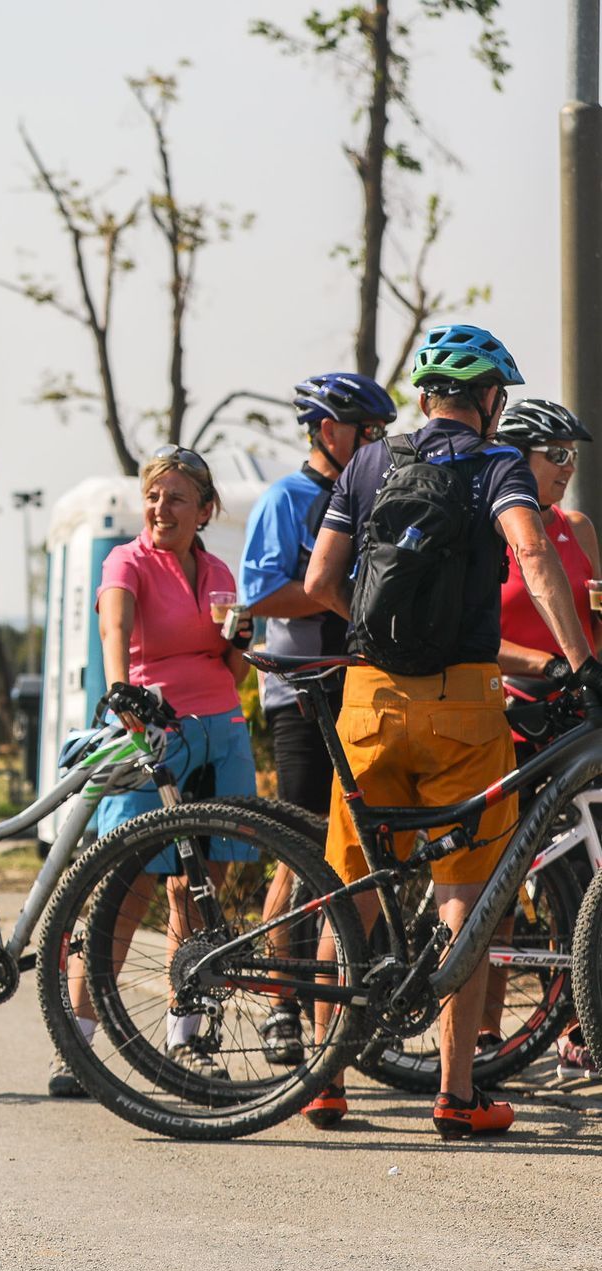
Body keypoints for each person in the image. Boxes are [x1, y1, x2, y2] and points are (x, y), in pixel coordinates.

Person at [303, 324, 598, 1136]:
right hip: (466, 706)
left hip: (367, 699)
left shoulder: (367, 462)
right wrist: (577, 658)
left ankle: (326, 1081)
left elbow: (321, 580)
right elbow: (532, 554)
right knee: (466, 895)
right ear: (491, 400)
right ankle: (457, 1093)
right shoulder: (499, 464)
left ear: (428, 394)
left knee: (352, 891)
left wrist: (375, 635)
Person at [52, 446, 257, 1096]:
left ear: (205, 509)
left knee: (198, 891)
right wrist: (121, 691)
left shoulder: (218, 568)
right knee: (125, 885)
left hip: (220, 732)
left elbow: (231, 665)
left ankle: (185, 1034)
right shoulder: (126, 560)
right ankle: (77, 1046)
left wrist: (242, 645)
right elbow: (115, 627)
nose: (160, 508)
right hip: (152, 731)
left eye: (174, 497)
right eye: (153, 495)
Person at [238, 373, 396, 1067]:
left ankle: (350, 1003)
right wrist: (344, 594)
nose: (379, 443)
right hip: (304, 699)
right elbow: (263, 593)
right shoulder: (286, 498)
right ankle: (281, 1009)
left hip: (364, 690)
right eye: (369, 431)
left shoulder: (370, 494)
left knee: (362, 850)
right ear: (329, 431)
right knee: (300, 852)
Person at [488, 398, 598, 1084]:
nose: (567, 467)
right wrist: (547, 665)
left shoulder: (576, 526)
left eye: (574, 457)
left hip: (575, 715)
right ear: (520, 457)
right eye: (556, 454)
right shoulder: (490, 529)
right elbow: (475, 636)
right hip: (512, 712)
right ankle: (484, 1029)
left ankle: (582, 1028)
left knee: (587, 871)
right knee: (501, 877)